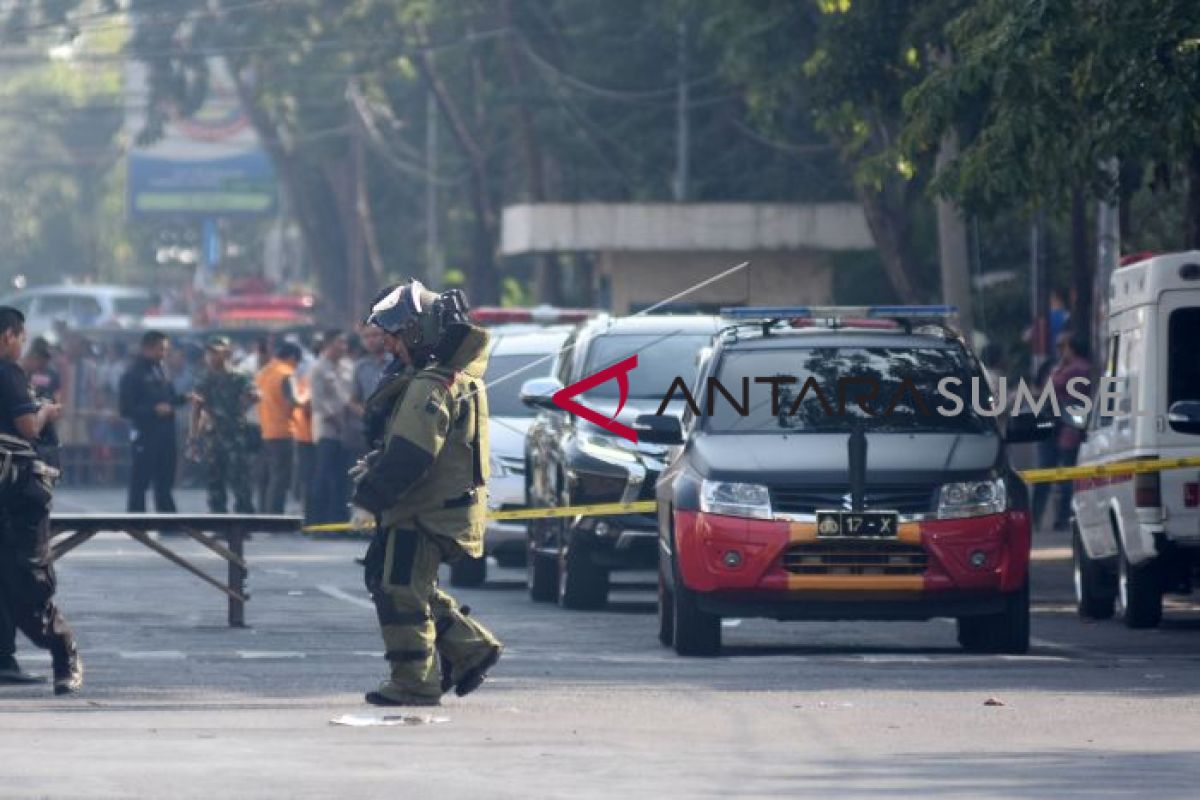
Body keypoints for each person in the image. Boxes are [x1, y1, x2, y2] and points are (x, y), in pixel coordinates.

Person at [351, 280, 501, 706]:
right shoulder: (451, 376)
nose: (392, 347)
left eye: (397, 337)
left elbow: (412, 453)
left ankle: (414, 681)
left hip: (424, 509)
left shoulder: (431, 383)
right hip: (437, 506)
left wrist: (371, 496)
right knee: (402, 582)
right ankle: (470, 649)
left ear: (418, 332)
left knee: (400, 589)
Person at [0, 306, 82, 695]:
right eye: (20, 336)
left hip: (17, 495)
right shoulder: (8, 371)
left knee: (27, 590)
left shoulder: (10, 375)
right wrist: (47, 411)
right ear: (8, 337)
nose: (20, 343)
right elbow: (31, 424)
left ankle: (63, 650)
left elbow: (26, 430)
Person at [189, 337, 259, 514]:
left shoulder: (239, 377)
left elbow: (254, 395)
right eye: (209, 353)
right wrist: (193, 438)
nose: (211, 357)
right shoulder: (204, 380)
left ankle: (244, 524)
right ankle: (218, 523)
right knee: (215, 483)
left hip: (236, 436)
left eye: (216, 352)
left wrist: (247, 402)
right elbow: (196, 410)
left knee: (241, 482)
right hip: (214, 438)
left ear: (227, 353)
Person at [119, 331, 186, 512]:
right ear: (147, 348)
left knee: (165, 480)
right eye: (160, 349)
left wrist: (185, 399)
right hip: (145, 434)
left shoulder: (162, 370)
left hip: (166, 434)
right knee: (140, 481)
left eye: (165, 350)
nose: (164, 354)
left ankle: (168, 521)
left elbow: (170, 399)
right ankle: (136, 522)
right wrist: (152, 410)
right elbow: (126, 409)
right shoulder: (133, 374)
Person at [1032, 331, 1092, 530]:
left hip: (1068, 424)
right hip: (1056, 423)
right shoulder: (1062, 366)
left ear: (1072, 348)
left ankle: (1061, 517)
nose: (1059, 351)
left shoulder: (1078, 368)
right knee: (1048, 471)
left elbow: (1050, 386)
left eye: (1063, 347)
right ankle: (1043, 517)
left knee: (1063, 472)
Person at [309, 331, 356, 525]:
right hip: (328, 431)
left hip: (347, 431)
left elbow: (351, 396)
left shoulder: (348, 367)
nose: (343, 347)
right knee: (324, 477)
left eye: (345, 343)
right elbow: (318, 403)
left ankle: (339, 520)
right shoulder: (318, 368)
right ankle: (318, 522)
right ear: (328, 344)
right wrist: (336, 421)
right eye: (339, 343)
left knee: (342, 479)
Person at [255, 342, 302, 514]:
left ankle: (264, 512)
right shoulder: (286, 374)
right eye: (296, 362)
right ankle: (275, 515)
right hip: (283, 431)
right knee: (280, 478)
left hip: (265, 429)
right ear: (291, 358)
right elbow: (293, 401)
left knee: (266, 477)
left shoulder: (263, 372)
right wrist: (305, 399)